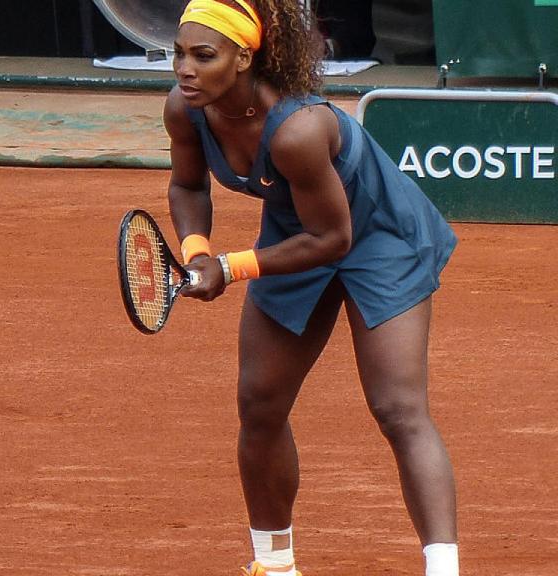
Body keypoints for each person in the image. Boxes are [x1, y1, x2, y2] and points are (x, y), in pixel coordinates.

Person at [164, 1, 460, 575]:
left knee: (397, 408)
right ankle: (274, 566)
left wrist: (230, 267)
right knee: (260, 404)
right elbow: (187, 185)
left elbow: (333, 238)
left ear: (244, 57)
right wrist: (197, 252)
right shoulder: (185, 110)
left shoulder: (298, 128)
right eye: (179, 54)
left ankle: (443, 569)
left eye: (204, 56)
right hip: (296, 231)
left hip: (377, 234)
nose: (184, 69)